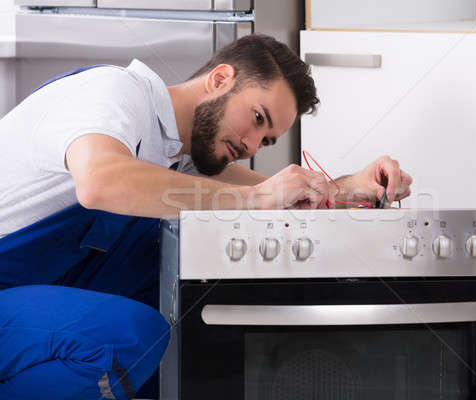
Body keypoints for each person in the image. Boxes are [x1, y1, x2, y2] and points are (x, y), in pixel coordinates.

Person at [0, 34, 412, 399]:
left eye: (265, 140)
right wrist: (257, 199)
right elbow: (100, 182)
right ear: (219, 80)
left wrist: (351, 187)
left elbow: (278, 196)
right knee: (129, 335)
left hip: (33, 291)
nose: (252, 145)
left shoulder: (177, 157)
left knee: (191, 280)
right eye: (256, 119)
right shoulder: (113, 93)